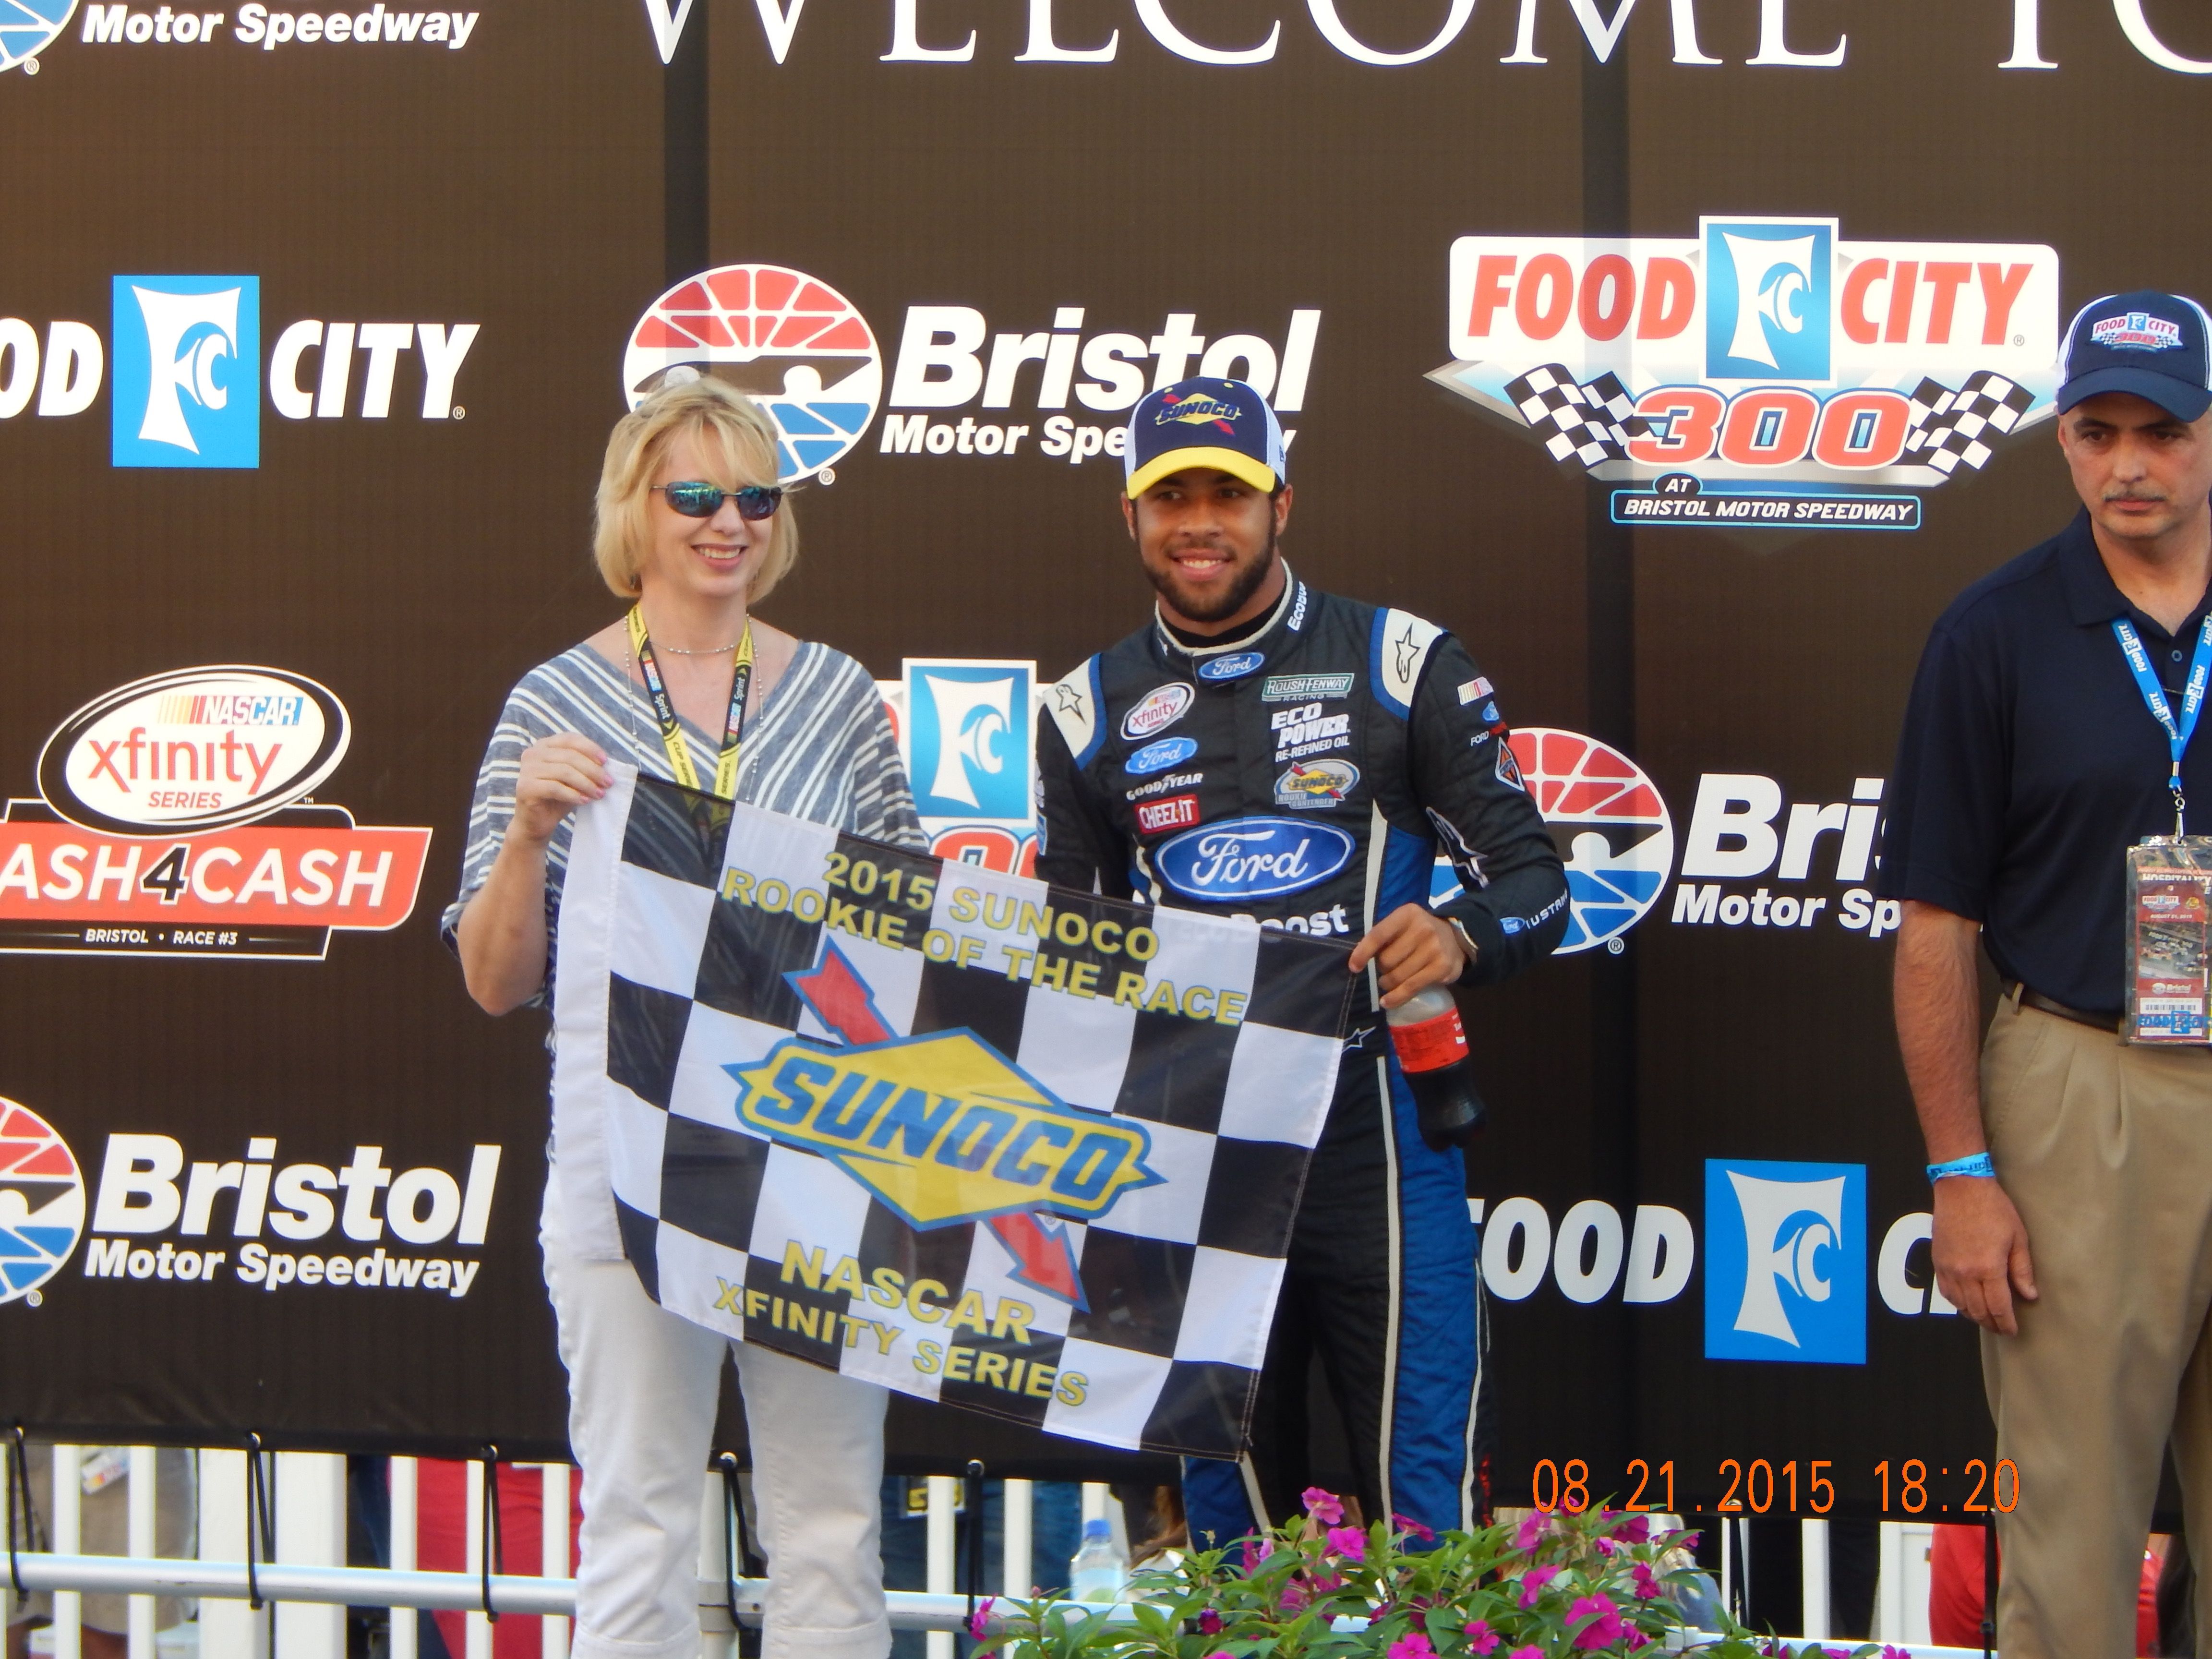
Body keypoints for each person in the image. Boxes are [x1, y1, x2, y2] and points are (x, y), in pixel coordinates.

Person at [1033, 377, 1569, 1545]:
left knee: (1424, 1508)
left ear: (1283, 500)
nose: (1199, 522)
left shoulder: (1401, 660)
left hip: (1381, 1122)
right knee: (1234, 1526)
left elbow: (1538, 881)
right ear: (1130, 517)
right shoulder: (1083, 709)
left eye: (1228, 491)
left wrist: (1463, 932)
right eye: (1169, 496)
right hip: (1200, 1148)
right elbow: (1067, 966)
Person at [446, 377, 925, 1659]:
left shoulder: (833, 696)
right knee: (638, 1523)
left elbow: (910, 938)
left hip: (817, 1151)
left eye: (756, 497)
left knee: (829, 1527)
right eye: (696, 495)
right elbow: (494, 980)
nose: (730, 524)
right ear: (635, 511)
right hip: (625, 1160)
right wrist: (530, 837)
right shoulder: (554, 699)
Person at [1879, 290, 2212, 1655]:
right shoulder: (1995, 631)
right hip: (2088, 1083)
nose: (2130, 463)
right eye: (2097, 431)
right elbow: (1937, 927)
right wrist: (1961, 1174)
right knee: (2072, 1557)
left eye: (2163, 431)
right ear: (2062, 442)